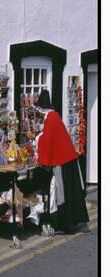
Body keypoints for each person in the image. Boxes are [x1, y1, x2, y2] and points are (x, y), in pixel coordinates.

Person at [32, 89, 89, 234]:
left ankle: (66, 224)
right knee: (70, 193)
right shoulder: (54, 116)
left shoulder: (50, 118)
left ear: (42, 108)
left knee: (63, 194)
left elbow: (47, 140)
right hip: (68, 159)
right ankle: (70, 223)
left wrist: (37, 139)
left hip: (63, 162)